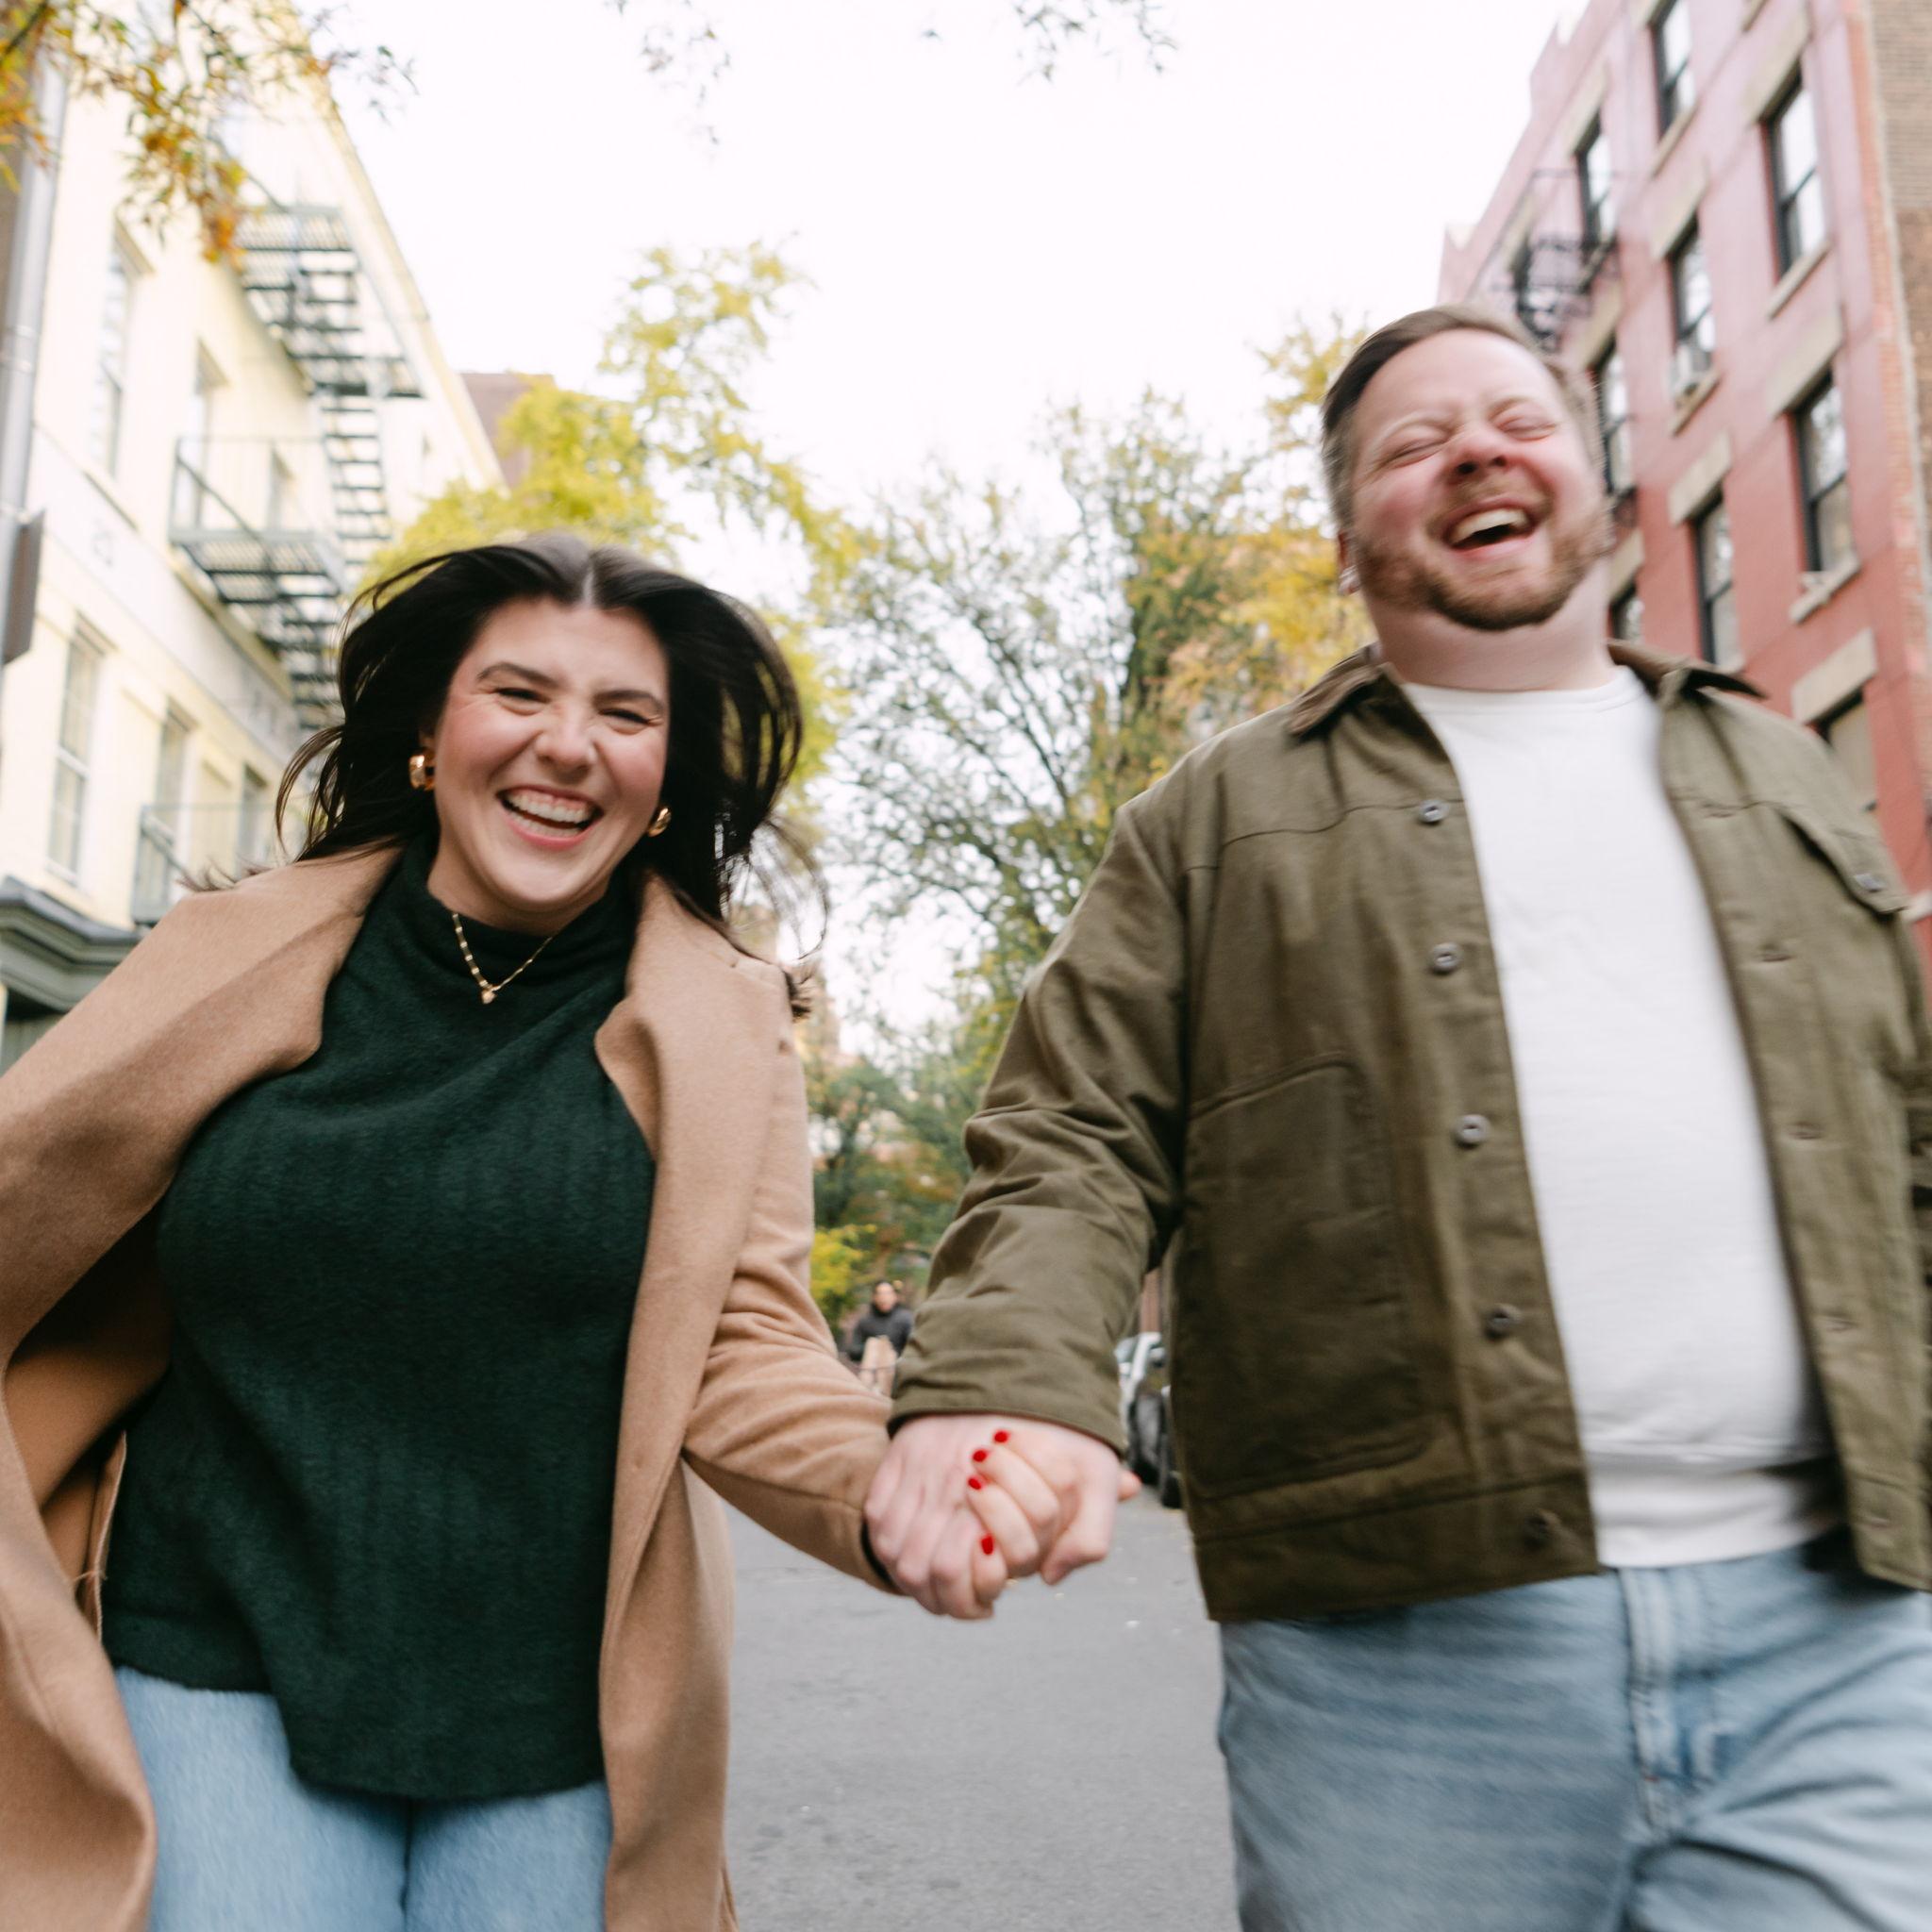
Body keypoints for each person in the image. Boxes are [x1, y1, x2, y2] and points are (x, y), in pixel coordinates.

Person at [866, 307, 1932, 1929]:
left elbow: (1907, 1149)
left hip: (1842, 1637)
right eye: (1416, 444)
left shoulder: (1780, 772)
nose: (1479, 453)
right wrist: (1003, 1387)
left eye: (1521, 421)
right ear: (1345, 537)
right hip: (1399, 1655)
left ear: (1593, 482)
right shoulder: (1217, 819)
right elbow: (1074, 1134)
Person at [0, 534, 1049, 1932]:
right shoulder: (225, 954)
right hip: (214, 1651)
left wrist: (892, 1482)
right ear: (430, 733)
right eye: (518, 693)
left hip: (559, 1707)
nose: (568, 745)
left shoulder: (721, 1028)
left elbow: (740, 1344)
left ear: (664, 777)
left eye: (624, 713)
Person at [841, 1281, 914, 1365]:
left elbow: (912, 1348)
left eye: (887, 1293)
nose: (883, 1298)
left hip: (897, 1366)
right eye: (880, 1294)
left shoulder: (906, 1319)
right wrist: (873, 1346)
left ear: (895, 1296)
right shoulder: (865, 1321)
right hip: (870, 1366)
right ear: (874, 1297)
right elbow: (853, 1351)